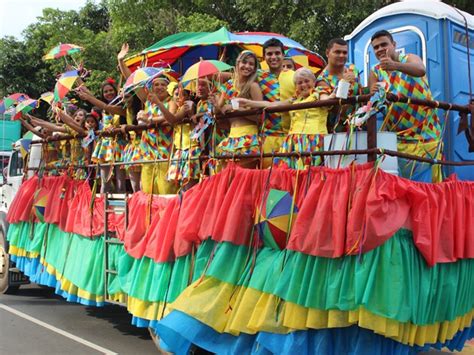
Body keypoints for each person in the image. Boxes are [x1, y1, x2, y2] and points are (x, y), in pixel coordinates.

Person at [368, 30, 442, 182]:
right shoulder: (375, 71)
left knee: (429, 184)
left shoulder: (409, 58)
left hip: (426, 134)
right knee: (404, 184)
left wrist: (395, 65)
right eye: (376, 47)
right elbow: (374, 99)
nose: (380, 49)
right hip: (399, 138)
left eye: (384, 44)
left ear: (393, 45)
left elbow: (420, 70)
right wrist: (374, 92)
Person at [238, 68, 334, 169]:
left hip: (314, 140)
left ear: (314, 82)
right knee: (289, 173)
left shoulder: (319, 93)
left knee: (311, 172)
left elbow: (327, 100)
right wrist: (248, 102)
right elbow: (274, 105)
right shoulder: (295, 99)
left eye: (306, 81)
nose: (303, 85)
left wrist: (333, 95)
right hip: (293, 142)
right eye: (299, 82)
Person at [76, 79, 128, 192]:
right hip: (105, 145)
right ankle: (101, 207)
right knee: (105, 181)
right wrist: (75, 76)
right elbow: (88, 92)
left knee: (120, 180)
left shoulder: (123, 106)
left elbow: (102, 104)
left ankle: (124, 207)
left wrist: (116, 129)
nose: (109, 93)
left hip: (120, 144)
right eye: (106, 91)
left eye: (111, 90)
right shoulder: (103, 109)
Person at [215, 50, 263, 168]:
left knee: (243, 180)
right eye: (244, 62)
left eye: (251, 64)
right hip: (231, 137)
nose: (247, 66)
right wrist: (214, 105)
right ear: (237, 63)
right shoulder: (228, 86)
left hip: (248, 137)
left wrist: (236, 109)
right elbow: (218, 111)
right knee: (229, 180)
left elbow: (260, 117)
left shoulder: (253, 86)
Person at [257, 38, 297, 167]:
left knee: (290, 178)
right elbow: (236, 78)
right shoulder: (257, 77)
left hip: (292, 136)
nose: (273, 57)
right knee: (268, 179)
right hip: (267, 137)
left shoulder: (295, 76)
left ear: (283, 55)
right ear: (264, 57)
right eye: (269, 54)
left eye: (277, 53)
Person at [317, 38, 362, 132]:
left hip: (357, 126)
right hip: (335, 131)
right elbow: (331, 107)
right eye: (337, 52)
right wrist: (344, 84)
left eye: (344, 53)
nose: (341, 55)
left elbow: (360, 93)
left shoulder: (352, 68)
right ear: (327, 53)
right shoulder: (322, 80)